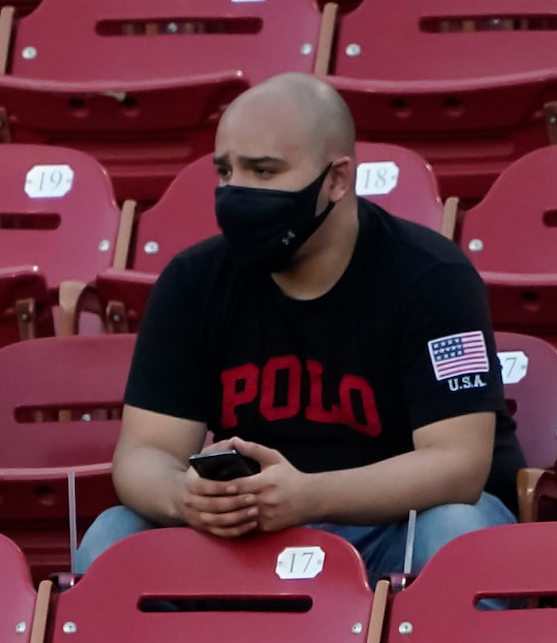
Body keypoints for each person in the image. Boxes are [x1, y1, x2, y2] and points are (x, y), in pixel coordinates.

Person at [72, 72, 518, 586]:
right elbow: (143, 452)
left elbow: (459, 466)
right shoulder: (193, 282)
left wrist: (308, 497)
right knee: (112, 536)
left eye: (263, 171)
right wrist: (186, 497)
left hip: (391, 529)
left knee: (456, 531)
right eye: (225, 171)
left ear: (337, 179)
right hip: (250, 534)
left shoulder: (433, 278)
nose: (237, 190)